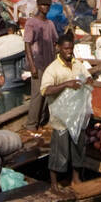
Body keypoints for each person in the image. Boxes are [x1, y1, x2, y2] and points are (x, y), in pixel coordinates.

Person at [39, 32, 93, 189]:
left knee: (78, 148)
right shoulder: (52, 69)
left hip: (76, 116)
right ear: (59, 49)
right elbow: (45, 90)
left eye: (71, 49)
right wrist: (65, 84)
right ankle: (54, 184)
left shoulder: (78, 65)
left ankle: (76, 179)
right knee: (59, 152)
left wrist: (88, 81)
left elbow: (87, 77)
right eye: (66, 49)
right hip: (60, 119)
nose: (69, 52)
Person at [23, 0, 58, 129]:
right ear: (38, 5)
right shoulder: (31, 23)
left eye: (48, 4)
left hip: (49, 63)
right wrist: (32, 65)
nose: (46, 7)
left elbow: (54, 43)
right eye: (43, 4)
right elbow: (27, 44)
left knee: (47, 93)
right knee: (37, 95)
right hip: (37, 63)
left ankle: (42, 121)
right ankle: (31, 125)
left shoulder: (50, 24)